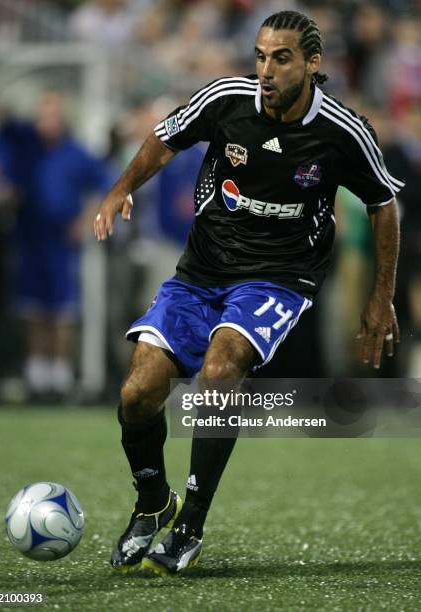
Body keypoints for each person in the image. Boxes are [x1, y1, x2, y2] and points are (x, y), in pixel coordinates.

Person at [94, 10, 404, 575]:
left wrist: (382, 295)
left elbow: (383, 205)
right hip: (201, 272)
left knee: (221, 369)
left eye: (281, 58)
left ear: (312, 63)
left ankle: (190, 522)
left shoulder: (342, 130)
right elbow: (164, 140)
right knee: (137, 391)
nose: (266, 70)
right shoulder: (225, 100)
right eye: (260, 57)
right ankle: (152, 501)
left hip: (278, 276)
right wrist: (120, 191)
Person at [4, 92, 111, 401]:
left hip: (62, 246)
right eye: (42, 115)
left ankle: (61, 377)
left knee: (63, 311)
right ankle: (37, 377)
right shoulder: (27, 152)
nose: (45, 122)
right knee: (34, 309)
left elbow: (105, 185)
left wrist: (85, 220)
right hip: (31, 240)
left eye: (51, 115)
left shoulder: (76, 153)